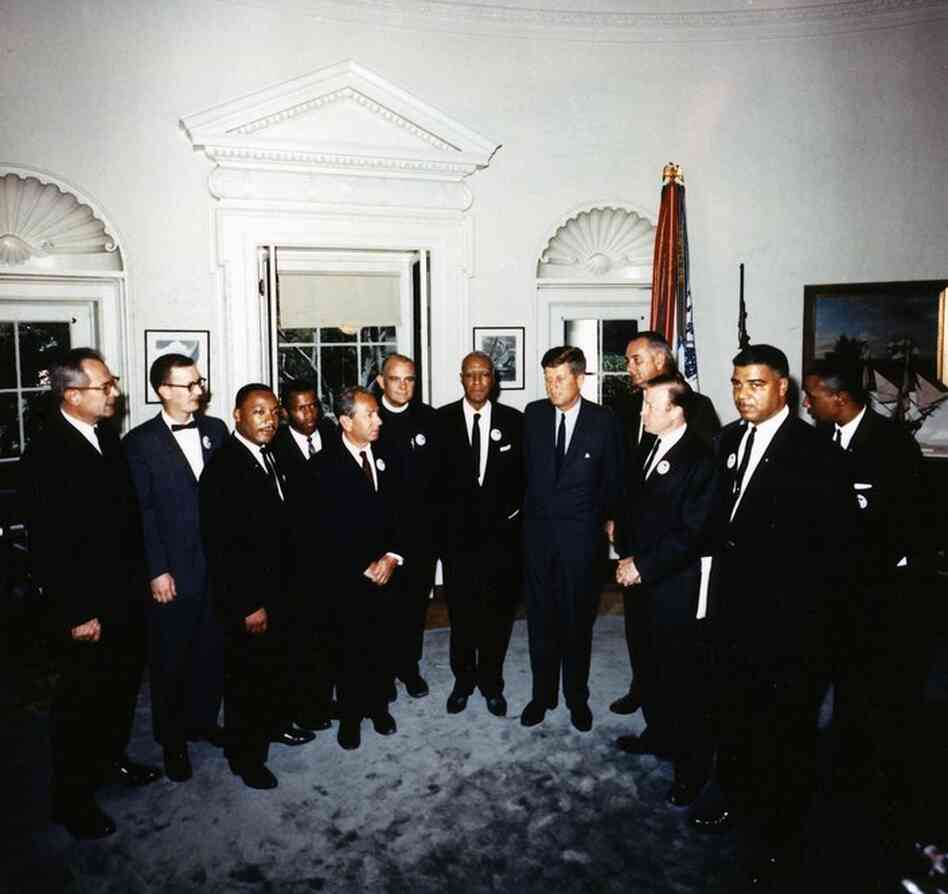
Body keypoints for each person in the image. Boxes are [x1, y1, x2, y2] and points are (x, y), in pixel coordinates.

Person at [691, 344, 855, 888]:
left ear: (783, 387)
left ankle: (779, 842)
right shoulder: (731, 440)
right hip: (732, 612)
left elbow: (831, 556)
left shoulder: (816, 453)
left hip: (789, 626)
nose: (742, 395)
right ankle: (733, 800)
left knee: (785, 736)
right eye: (737, 384)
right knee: (734, 717)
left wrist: (811, 638)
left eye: (755, 384)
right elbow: (721, 519)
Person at [19, 348, 160, 839]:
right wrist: (77, 613)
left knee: (119, 690)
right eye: (106, 387)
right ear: (72, 394)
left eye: (113, 383)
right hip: (85, 608)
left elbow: (125, 520)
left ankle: (111, 761)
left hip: (123, 596)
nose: (115, 394)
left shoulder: (105, 437)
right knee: (80, 703)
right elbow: (49, 545)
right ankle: (71, 800)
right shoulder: (46, 453)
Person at [803, 360, 936, 861]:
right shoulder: (824, 441)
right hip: (836, 589)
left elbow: (908, 523)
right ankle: (840, 758)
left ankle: (869, 785)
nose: (807, 403)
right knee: (838, 681)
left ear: (837, 399)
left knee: (875, 691)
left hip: (880, 591)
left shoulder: (890, 445)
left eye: (812, 395)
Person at [199, 383, 313, 791]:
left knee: (274, 666)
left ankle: (275, 724)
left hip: (280, 590)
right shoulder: (225, 468)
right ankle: (245, 757)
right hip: (249, 598)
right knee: (246, 677)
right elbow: (224, 548)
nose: (268, 420)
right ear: (237, 416)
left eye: (273, 412)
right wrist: (249, 605)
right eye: (258, 412)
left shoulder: (270, 456)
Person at [612, 373, 716, 807]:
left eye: (651, 406)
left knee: (682, 678)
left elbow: (693, 531)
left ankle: (691, 770)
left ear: (676, 411)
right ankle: (658, 735)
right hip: (640, 581)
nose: (642, 412)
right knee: (648, 664)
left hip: (675, 585)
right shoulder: (651, 446)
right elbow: (636, 505)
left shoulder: (701, 458)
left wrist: (643, 565)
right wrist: (622, 548)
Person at [123, 354, 228, 783]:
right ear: (164, 390)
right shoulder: (139, 442)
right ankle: (172, 742)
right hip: (173, 570)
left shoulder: (217, 430)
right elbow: (141, 513)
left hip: (217, 566)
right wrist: (156, 570)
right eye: (189, 385)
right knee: (171, 659)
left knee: (211, 650)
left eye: (200, 382)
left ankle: (202, 722)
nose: (199, 390)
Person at [610, 331, 720, 717]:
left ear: (660, 360)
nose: (628, 368)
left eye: (636, 359)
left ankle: (671, 724)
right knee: (640, 635)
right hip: (637, 548)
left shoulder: (697, 411)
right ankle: (644, 693)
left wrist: (647, 560)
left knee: (676, 652)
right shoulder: (629, 408)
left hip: (673, 562)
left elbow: (697, 499)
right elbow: (629, 477)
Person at [521, 345, 622, 732]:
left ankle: (576, 698)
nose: (552, 386)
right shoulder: (534, 415)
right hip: (538, 541)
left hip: (582, 544)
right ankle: (541, 696)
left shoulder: (604, 421)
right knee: (540, 623)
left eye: (560, 378)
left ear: (580, 379)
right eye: (547, 378)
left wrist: (611, 523)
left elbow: (613, 482)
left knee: (577, 625)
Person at [436, 352, 524, 717]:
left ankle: (492, 682)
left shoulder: (514, 422)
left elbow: (524, 479)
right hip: (457, 543)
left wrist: (514, 519)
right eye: (470, 375)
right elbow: (430, 486)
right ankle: (463, 680)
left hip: (501, 543)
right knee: (462, 616)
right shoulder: (440, 421)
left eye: (483, 375)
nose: (476, 382)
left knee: (497, 617)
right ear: (461, 378)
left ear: (493, 380)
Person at [317, 387, 404, 750]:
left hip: (388, 572)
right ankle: (350, 717)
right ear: (345, 421)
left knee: (384, 643)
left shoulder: (390, 455)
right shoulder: (322, 468)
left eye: (377, 414)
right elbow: (319, 530)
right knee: (350, 649)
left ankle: (378, 708)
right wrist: (360, 566)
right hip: (346, 580)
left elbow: (404, 512)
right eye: (370, 415)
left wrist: (392, 556)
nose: (379, 420)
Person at [270, 379, 339, 731]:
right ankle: (303, 707)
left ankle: (326, 700)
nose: (309, 414)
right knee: (301, 638)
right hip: (296, 560)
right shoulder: (275, 446)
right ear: (285, 411)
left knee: (330, 633)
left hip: (334, 555)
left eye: (313, 405)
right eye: (300, 407)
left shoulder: (330, 431)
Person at [375, 354, 439, 699]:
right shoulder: (369, 419)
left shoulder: (429, 420)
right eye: (396, 379)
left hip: (420, 537)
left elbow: (440, 480)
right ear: (381, 381)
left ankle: (408, 667)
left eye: (410, 379)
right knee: (384, 608)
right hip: (381, 538)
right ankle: (383, 673)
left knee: (414, 607)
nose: (404, 385)